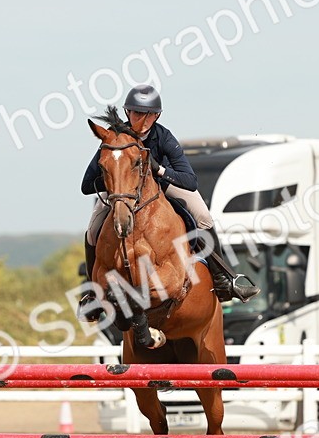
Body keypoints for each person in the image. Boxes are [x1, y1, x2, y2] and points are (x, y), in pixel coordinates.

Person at [79, 85, 259, 318]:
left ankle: (224, 279)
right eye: (136, 113)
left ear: (157, 116)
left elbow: (190, 180)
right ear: (127, 113)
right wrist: (120, 179)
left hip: (163, 187)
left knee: (203, 216)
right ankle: (92, 292)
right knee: (92, 230)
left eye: (149, 115)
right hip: (123, 193)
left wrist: (160, 171)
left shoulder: (163, 137)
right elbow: (86, 185)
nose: (142, 120)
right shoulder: (116, 138)